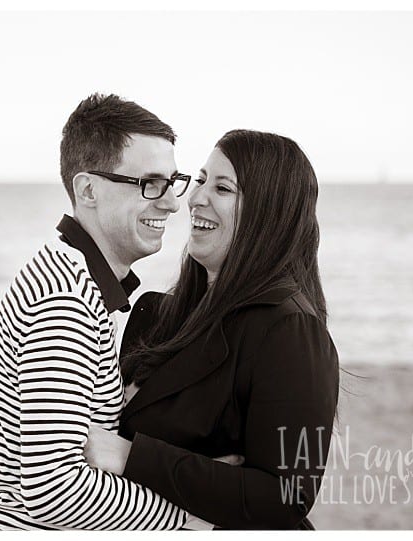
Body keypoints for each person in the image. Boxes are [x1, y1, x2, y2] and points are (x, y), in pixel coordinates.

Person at [84, 129, 340, 529]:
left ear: (267, 212)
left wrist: (133, 458)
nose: (195, 198)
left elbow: (286, 500)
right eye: (201, 180)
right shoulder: (154, 315)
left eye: (223, 188)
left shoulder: (290, 331)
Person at [0, 93, 197, 530]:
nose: (173, 203)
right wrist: (190, 518)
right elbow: (54, 489)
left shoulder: (73, 278)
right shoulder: (64, 299)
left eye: (172, 181)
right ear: (88, 190)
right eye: (149, 183)